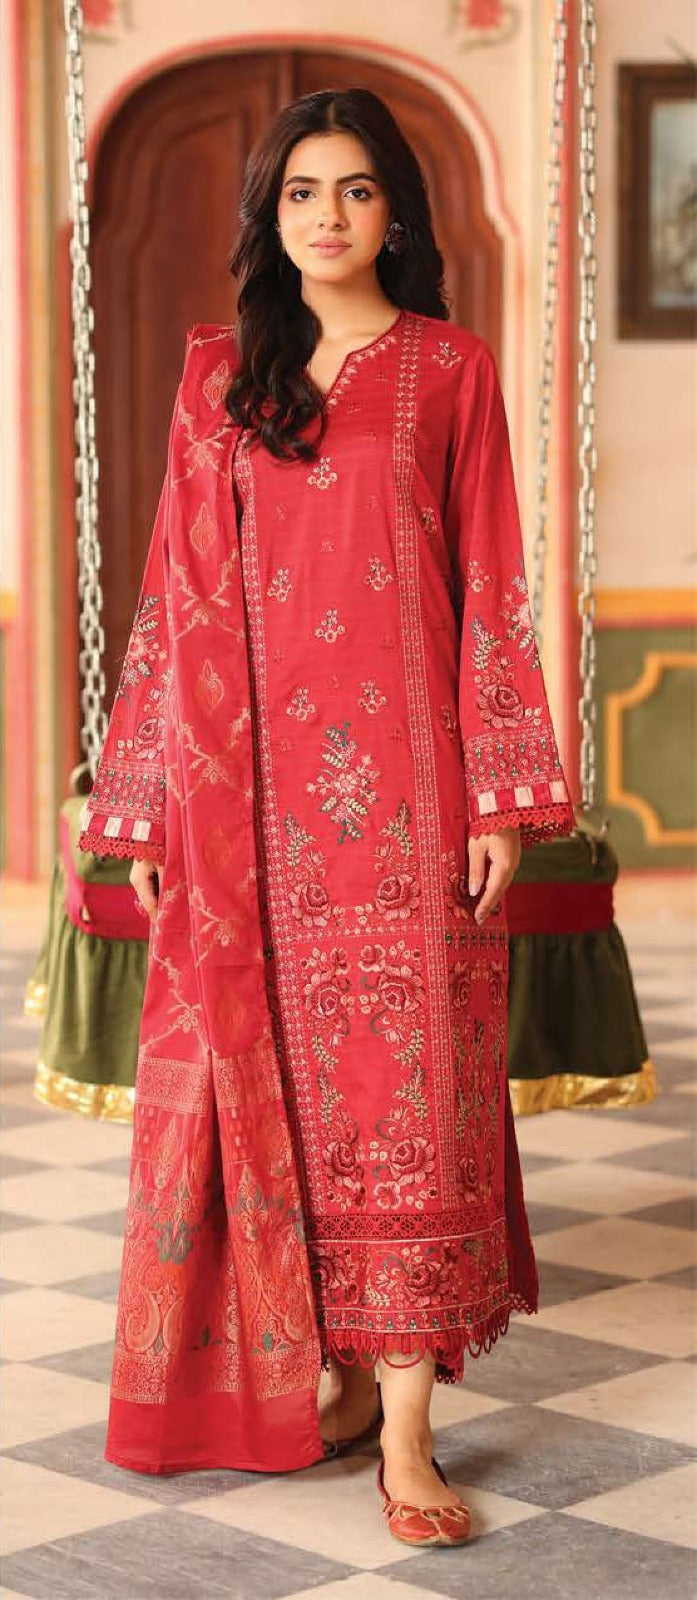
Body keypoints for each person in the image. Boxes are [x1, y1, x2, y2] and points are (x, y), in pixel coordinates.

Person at [79, 87, 574, 1547]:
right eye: (303, 192)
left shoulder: (449, 370)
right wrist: (151, 809)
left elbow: (491, 578)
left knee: (407, 1105)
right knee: (287, 1101)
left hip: (413, 801)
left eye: (357, 191)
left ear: (397, 215)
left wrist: (501, 793)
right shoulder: (222, 378)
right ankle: (336, 1377)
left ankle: (409, 1429)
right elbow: (172, 599)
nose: (329, 217)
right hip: (252, 826)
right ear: (269, 217)